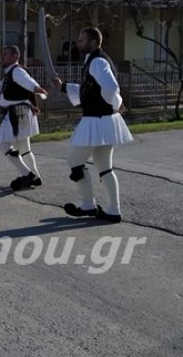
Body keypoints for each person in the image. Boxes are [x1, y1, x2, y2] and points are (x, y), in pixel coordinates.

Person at [52, 27, 134, 223]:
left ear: (94, 42)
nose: (78, 43)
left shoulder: (97, 60)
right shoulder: (95, 60)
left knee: (74, 160)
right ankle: (114, 210)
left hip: (97, 121)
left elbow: (112, 87)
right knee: (105, 167)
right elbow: (91, 89)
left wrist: (115, 104)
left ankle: (89, 205)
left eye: (81, 40)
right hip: (104, 122)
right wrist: (63, 87)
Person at [0, 45, 48, 191]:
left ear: (15, 56)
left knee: (3, 144)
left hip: (17, 113)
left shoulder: (17, 71)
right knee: (25, 148)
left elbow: (28, 82)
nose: (2, 57)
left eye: (5, 54)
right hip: (20, 113)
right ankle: (35, 177)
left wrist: (37, 88)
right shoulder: (9, 74)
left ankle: (27, 175)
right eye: (2, 54)